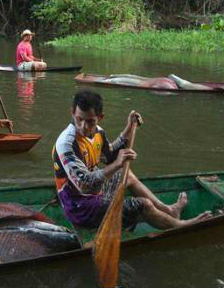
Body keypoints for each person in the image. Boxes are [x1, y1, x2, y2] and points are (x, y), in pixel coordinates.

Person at [51, 90, 212, 230]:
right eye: (79, 119)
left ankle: (169, 211)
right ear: (73, 113)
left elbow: (110, 155)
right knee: (143, 205)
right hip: (80, 207)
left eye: (90, 121)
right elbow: (85, 186)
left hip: (95, 193)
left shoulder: (98, 132)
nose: (84, 126)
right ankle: (181, 226)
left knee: (126, 174)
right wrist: (116, 164)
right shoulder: (67, 144)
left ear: (100, 117)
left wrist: (129, 128)